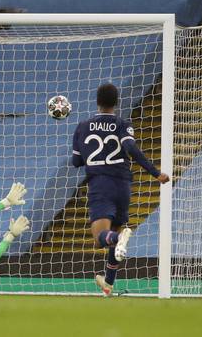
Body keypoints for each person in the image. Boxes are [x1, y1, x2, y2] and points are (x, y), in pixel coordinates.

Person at [71, 83, 170, 296]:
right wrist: (156, 173)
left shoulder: (82, 126)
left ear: (97, 101)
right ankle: (108, 282)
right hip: (123, 186)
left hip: (101, 184)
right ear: (116, 102)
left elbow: (76, 161)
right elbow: (131, 148)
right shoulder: (123, 125)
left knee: (100, 238)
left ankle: (119, 238)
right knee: (113, 236)